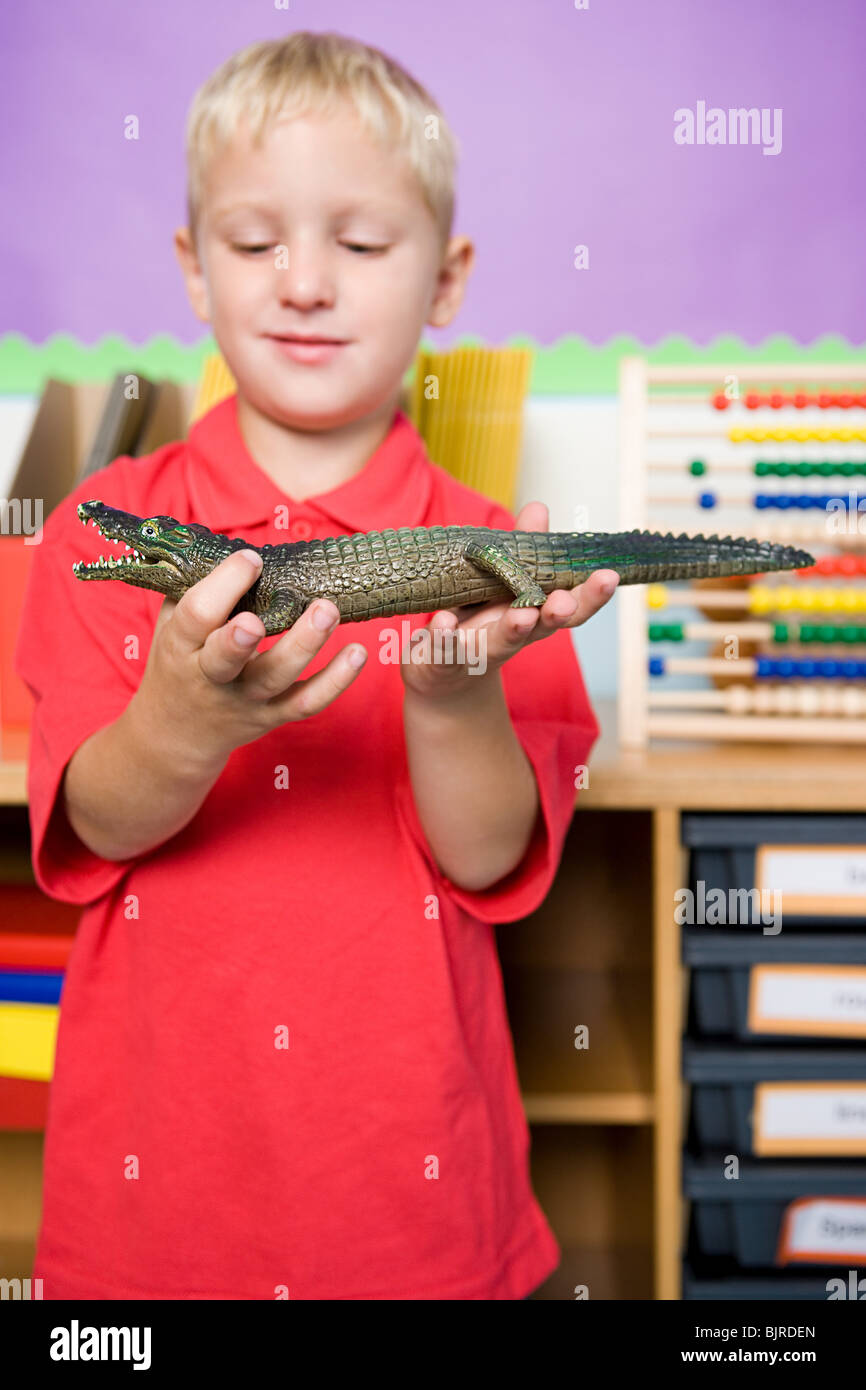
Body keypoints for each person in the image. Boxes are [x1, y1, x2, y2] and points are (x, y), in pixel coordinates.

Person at [15, 30, 617, 1300]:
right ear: (191, 269)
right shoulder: (98, 533)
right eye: (253, 243)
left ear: (446, 278)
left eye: (358, 242)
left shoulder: (497, 556)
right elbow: (93, 826)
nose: (304, 283)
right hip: (156, 1211)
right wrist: (181, 719)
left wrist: (450, 696)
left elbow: (487, 857)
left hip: (411, 1206)